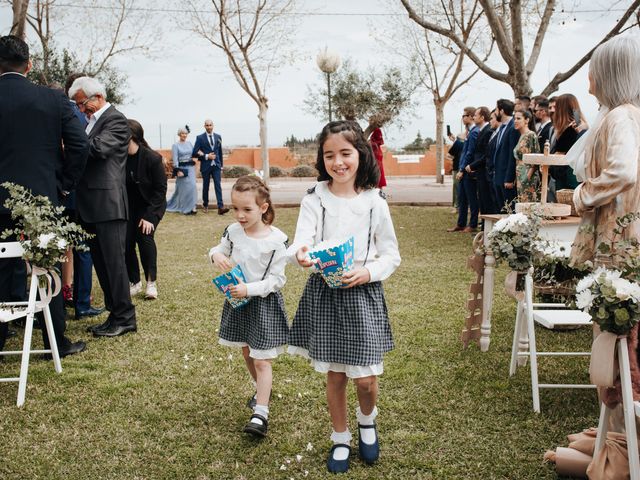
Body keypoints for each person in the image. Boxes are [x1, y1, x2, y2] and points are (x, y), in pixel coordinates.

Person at [287, 120, 401, 473]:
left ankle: (367, 420)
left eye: (346, 153)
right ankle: (340, 436)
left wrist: (368, 271)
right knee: (335, 374)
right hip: (325, 293)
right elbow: (300, 241)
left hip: (362, 294)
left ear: (360, 155)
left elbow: (391, 254)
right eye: (330, 155)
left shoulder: (374, 201)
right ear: (322, 159)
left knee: (365, 379)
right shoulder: (314, 197)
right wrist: (302, 254)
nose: (338, 162)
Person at [0, 35, 88, 356]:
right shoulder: (53, 100)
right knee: (47, 268)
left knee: (2, 264)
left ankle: (3, 332)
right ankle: (56, 342)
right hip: (42, 200)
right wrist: (63, 184)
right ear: (30, 64)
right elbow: (80, 145)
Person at [209, 175, 289, 438]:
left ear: (263, 208)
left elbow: (277, 280)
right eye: (235, 209)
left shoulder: (277, 240)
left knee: (262, 360)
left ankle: (261, 414)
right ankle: (260, 391)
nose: (240, 215)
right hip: (238, 302)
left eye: (247, 209)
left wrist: (250, 289)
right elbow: (218, 249)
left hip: (262, 304)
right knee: (247, 352)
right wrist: (217, 255)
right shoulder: (233, 232)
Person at [68, 76, 137, 338]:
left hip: (109, 204)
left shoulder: (116, 120)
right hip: (92, 206)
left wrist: (70, 140)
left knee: (115, 264)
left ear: (97, 97)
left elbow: (97, 149)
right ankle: (114, 314)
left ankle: (126, 318)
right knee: (102, 264)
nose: (81, 110)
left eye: (82, 104)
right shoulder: (92, 122)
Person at [569, 35, 640, 268]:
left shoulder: (622, 117)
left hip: (617, 236)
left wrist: (584, 195)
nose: (589, 77)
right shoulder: (622, 114)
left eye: (594, 69)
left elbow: (623, 173)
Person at [125, 120, 167, 300]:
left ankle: (151, 282)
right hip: (129, 207)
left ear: (131, 137)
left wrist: (150, 217)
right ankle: (134, 281)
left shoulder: (153, 158)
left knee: (144, 236)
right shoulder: (119, 158)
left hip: (151, 206)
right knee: (125, 242)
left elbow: (160, 191)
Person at [448, 106, 479, 232]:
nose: (463, 118)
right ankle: (461, 223)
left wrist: (462, 169)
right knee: (462, 198)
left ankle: (472, 225)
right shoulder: (468, 132)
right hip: (463, 168)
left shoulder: (475, 131)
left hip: (468, 171)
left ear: (471, 116)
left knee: (472, 199)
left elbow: (470, 153)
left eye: (465, 115)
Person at [549, 93, 587, 190]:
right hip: (576, 172)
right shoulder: (580, 125)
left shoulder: (570, 129)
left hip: (567, 175)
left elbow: (559, 153)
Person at [192, 119, 229, 215]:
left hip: (216, 165)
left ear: (213, 125)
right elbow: (194, 152)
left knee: (218, 186)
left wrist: (221, 166)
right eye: (207, 125)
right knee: (206, 186)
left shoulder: (218, 137)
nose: (209, 127)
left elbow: (219, 152)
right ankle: (205, 205)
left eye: (210, 125)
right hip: (206, 166)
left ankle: (220, 207)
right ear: (204, 126)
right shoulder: (200, 138)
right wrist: (207, 156)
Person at [465, 107, 497, 216]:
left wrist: (472, 165)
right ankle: (484, 227)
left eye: (475, 115)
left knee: (486, 201)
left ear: (482, 117)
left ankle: (486, 228)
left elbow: (485, 154)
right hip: (480, 171)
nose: (473, 117)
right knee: (482, 200)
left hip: (484, 171)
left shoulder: (488, 131)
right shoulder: (482, 130)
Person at [493, 99, 521, 212]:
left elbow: (512, 154)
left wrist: (509, 178)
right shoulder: (502, 127)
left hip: (506, 178)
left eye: (496, 109)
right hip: (498, 175)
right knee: (502, 209)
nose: (495, 112)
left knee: (510, 209)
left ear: (502, 111)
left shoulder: (513, 127)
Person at [166, 127, 197, 215]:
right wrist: (178, 170)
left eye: (186, 133)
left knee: (193, 187)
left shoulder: (190, 143)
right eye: (183, 133)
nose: (184, 135)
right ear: (179, 134)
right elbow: (175, 159)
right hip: (182, 169)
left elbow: (194, 153)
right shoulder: (175, 145)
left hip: (190, 168)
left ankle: (192, 207)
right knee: (183, 189)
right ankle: (186, 208)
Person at [513, 110, 541, 202]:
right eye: (514, 118)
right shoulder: (521, 136)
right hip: (520, 173)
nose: (515, 121)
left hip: (528, 174)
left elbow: (536, 156)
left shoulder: (531, 135)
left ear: (527, 120)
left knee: (528, 203)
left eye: (518, 118)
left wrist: (528, 175)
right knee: (521, 202)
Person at [367, 118, 387, 189]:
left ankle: (378, 186)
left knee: (377, 169)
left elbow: (380, 141)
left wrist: (370, 142)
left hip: (376, 153)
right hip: (374, 152)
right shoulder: (373, 131)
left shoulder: (377, 130)